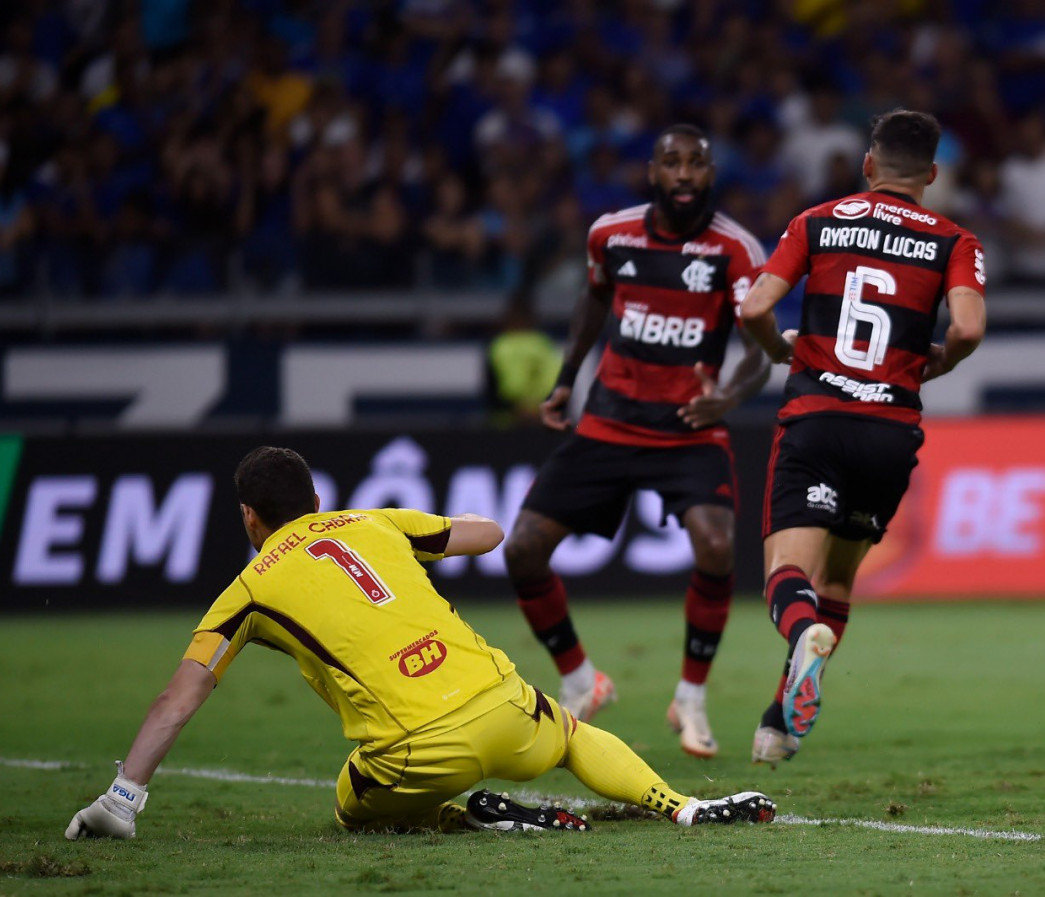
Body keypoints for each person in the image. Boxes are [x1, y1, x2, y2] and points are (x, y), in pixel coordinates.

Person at [65, 447, 776, 840]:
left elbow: (179, 697)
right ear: (316, 500)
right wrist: (414, 536)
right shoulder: (372, 522)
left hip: (419, 751)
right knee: (565, 731)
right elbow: (487, 533)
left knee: (349, 802)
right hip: (504, 706)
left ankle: (467, 814)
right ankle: (678, 804)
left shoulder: (246, 590)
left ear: (250, 517)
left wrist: (122, 797)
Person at [503, 124, 771, 759]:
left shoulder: (735, 250)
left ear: (711, 174)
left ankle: (691, 699)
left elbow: (762, 355)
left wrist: (727, 398)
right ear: (653, 172)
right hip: (609, 423)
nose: (683, 174)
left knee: (714, 545)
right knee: (522, 550)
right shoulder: (611, 234)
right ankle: (580, 680)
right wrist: (566, 379)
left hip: (688, 429)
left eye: (696, 164)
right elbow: (592, 301)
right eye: (671, 163)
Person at [739, 109, 987, 765]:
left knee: (787, 576)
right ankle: (779, 725)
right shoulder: (953, 240)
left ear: (868, 165)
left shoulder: (817, 221)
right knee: (839, 582)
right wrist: (939, 361)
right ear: (931, 175)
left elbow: (755, 307)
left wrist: (775, 350)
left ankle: (802, 640)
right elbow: (966, 329)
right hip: (889, 431)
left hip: (818, 416)